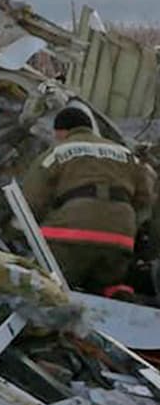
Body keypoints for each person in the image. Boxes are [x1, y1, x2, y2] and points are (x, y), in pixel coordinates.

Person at [22, 107, 154, 298]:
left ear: (60, 132)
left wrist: (19, 232)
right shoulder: (127, 155)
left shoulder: (57, 152)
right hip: (120, 237)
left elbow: (32, 200)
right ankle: (114, 291)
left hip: (70, 236)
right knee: (105, 284)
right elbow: (145, 199)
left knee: (49, 287)